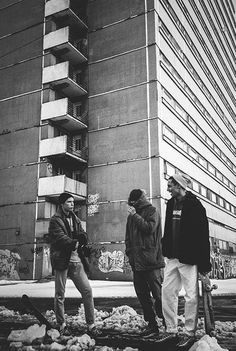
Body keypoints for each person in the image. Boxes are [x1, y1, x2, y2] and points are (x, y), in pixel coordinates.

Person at [159, 174, 211, 348]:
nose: (167, 189)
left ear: (179, 186)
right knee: (167, 292)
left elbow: (203, 236)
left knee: (191, 297)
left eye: (170, 186)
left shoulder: (195, 206)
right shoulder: (170, 203)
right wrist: (165, 246)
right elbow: (168, 228)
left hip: (189, 258)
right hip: (172, 257)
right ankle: (171, 330)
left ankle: (189, 332)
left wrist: (204, 264)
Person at [48, 192, 99, 335]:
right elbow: (59, 238)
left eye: (73, 202)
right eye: (69, 202)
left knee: (87, 291)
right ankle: (62, 324)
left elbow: (82, 233)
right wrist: (74, 242)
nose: (72, 204)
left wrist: (83, 237)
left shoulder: (75, 218)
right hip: (61, 261)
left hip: (76, 260)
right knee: (60, 294)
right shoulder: (55, 220)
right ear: (62, 204)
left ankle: (91, 325)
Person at [125, 189, 165, 337]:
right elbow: (128, 237)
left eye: (135, 201)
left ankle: (167, 323)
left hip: (152, 261)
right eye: (132, 201)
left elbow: (149, 228)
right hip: (137, 263)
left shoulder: (151, 211)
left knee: (159, 294)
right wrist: (129, 252)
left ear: (139, 201)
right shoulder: (131, 217)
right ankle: (152, 324)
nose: (132, 204)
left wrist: (135, 216)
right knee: (142, 295)